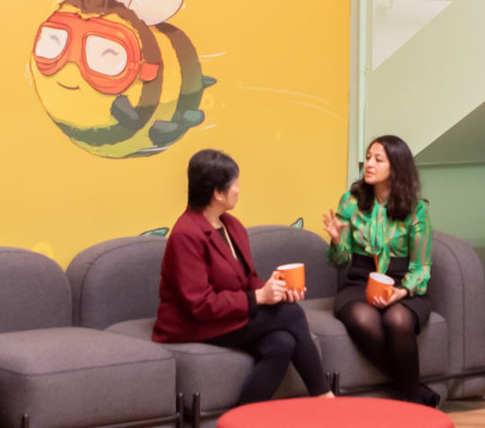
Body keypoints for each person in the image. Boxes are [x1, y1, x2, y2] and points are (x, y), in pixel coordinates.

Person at [156, 148, 327, 404]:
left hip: (229, 314)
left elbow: (248, 280)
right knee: (291, 315)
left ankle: (238, 420)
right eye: (235, 184)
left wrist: (276, 291)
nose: (238, 190)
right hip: (195, 323)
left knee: (282, 343)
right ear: (217, 193)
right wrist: (258, 298)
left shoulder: (232, 226)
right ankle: (324, 396)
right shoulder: (185, 234)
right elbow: (199, 305)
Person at [322, 134, 440, 406]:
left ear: (396, 168)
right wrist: (337, 241)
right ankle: (416, 395)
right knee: (362, 319)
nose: (369, 164)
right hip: (359, 281)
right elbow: (340, 261)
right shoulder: (351, 201)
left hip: (402, 283)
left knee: (397, 320)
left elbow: (421, 266)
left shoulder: (416, 210)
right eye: (368, 158)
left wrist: (402, 291)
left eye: (378, 159)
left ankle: (412, 402)